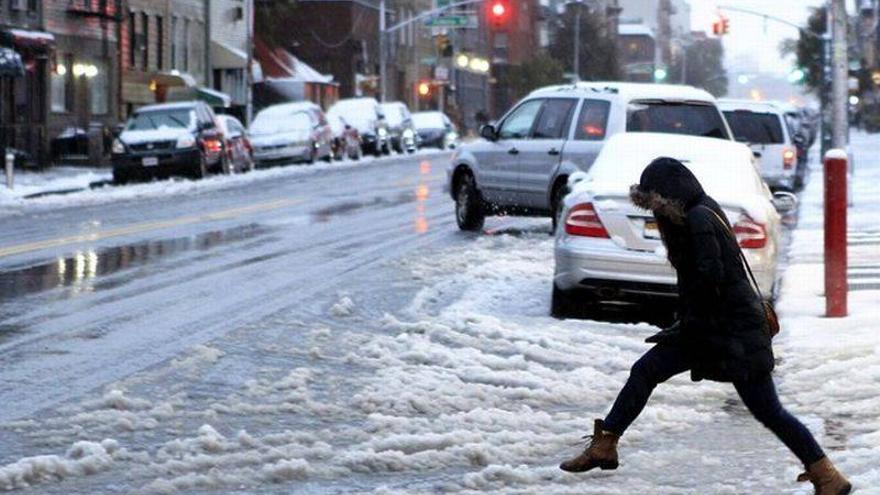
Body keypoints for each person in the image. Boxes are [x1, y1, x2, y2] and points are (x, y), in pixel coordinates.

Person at [559, 158, 851, 495]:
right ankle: (605, 444)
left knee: (768, 410)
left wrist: (686, 326)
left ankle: (828, 476)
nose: (657, 214)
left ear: (671, 197)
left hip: (730, 332)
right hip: (717, 329)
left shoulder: (698, 218)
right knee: (647, 371)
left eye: (658, 205)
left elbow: (709, 279)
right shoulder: (699, 212)